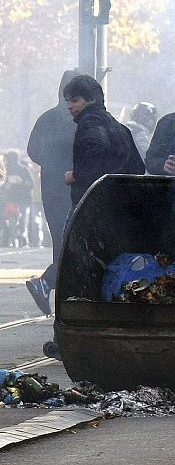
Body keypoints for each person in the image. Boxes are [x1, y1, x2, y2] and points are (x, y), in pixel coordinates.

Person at [43, 74, 145, 360]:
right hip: (119, 213)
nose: (70, 107)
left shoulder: (90, 125)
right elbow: (138, 167)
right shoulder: (120, 127)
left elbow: (94, 153)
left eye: (74, 100)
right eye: (67, 101)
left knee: (72, 275)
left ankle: (65, 341)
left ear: (88, 100)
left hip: (88, 211)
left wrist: (77, 175)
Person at [25, 70, 79, 315]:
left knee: (63, 241)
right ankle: (54, 289)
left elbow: (33, 150)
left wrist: (51, 162)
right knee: (71, 242)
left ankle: (54, 289)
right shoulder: (74, 118)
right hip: (70, 187)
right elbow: (34, 150)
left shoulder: (48, 118)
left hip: (54, 189)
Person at [1, 150, 34, 247]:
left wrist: (21, 182)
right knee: (12, 221)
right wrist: (6, 186)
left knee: (23, 220)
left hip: (24, 199)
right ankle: (14, 240)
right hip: (12, 199)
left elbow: (31, 183)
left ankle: (23, 240)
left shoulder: (24, 169)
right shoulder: (8, 170)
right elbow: (4, 185)